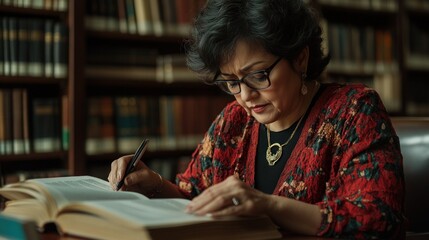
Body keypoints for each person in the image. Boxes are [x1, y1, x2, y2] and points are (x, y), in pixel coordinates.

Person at [108, 0, 406, 238]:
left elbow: (377, 218)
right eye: (231, 82)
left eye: (257, 75)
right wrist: (153, 185)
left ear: (300, 59)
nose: (245, 96)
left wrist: (269, 206)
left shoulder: (354, 111)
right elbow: (194, 196)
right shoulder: (234, 121)